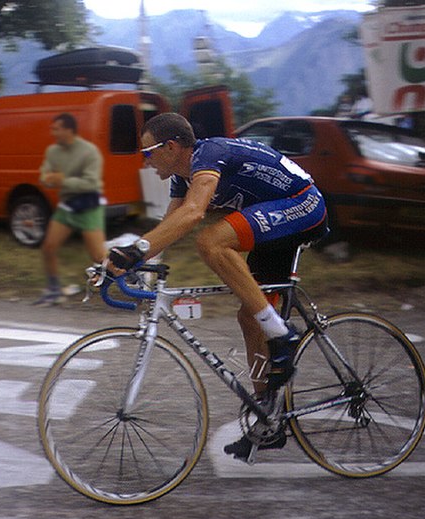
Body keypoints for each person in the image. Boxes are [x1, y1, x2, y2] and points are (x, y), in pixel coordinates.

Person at [107, 112, 329, 460]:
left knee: (212, 241)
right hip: (272, 220)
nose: (145, 161)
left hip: (303, 204)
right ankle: (268, 419)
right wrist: (124, 264)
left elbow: (194, 213)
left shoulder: (208, 156)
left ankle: (283, 334)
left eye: (148, 152)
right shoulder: (182, 177)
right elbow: (171, 226)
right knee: (250, 317)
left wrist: (135, 252)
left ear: (172, 146)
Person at [35, 113, 107, 305]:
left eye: (56, 129)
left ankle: (135, 281)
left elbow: (92, 183)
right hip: (67, 206)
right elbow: (44, 175)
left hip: (88, 205)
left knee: (99, 257)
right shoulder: (53, 151)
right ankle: (54, 290)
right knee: (48, 247)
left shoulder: (89, 151)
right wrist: (48, 180)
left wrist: (63, 180)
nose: (52, 132)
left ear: (69, 130)